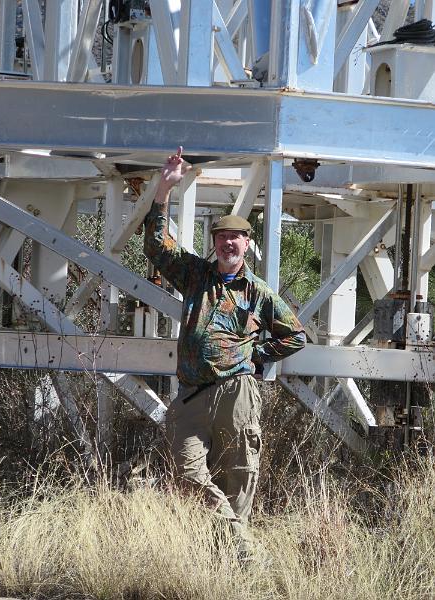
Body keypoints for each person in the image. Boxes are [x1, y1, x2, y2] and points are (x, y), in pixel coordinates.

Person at [143, 147, 306, 559]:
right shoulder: (197, 275)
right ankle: (244, 546)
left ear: (247, 245)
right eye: (221, 237)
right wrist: (165, 187)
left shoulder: (259, 293)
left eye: (235, 237)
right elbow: (157, 247)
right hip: (193, 394)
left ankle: (231, 560)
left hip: (237, 393)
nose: (228, 242)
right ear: (213, 243)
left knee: (239, 476)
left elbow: (296, 336)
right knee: (185, 470)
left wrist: (257, 357)